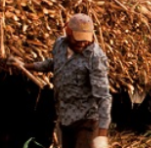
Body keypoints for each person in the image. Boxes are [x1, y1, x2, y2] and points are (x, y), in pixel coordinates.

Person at [11, 13, 111, 148]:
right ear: (68, 32)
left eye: (85, 39)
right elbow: (54, 63)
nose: (83, 43)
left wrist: (102, 135)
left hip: (86, 120)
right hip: (65, 117)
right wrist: (25, 66)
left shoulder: (95, 58)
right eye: (78, 39)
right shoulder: (60, 45)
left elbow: (103, 96)